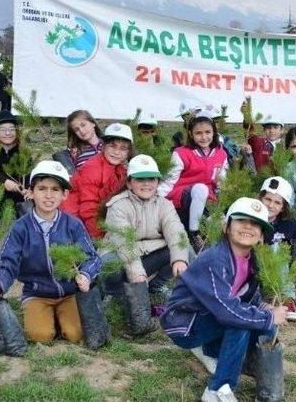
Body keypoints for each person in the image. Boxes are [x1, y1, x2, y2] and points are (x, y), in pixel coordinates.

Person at [160, 197, 287, 402]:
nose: (248, 227)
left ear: (262, 234)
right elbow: (228, 311)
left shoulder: (253, 257)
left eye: (255, 224)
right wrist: (268, 317)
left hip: (209, 314)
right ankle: (217, 390)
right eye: (241, 221)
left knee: (258, 320)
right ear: (227, 227)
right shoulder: (216, 259)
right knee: (241, 322)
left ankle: (230, 358)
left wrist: (265, 309)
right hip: (184, 323)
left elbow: (247, 296)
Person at [0, 160, 102, 344]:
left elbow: (92, 257)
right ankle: (40, 313)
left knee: (75, 334)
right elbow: (7, 261)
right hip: (37, 293)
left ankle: (62, 315)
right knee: (40, 336)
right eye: (42, 188)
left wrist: (86, 275)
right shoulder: (20, 228)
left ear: (65, 194)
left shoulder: (73, 224)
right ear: (31, 192)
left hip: (69, 292)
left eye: (55, 189)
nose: (48, 195)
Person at [101, 154, 189, 316]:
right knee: (109, 263)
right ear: (129, 182)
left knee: (183, 250)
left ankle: (154, 288)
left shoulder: (164, 204)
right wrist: (138, 275)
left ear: (157, 182)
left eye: (152, 179)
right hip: (121, 254)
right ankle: (113, 294)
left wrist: (179, 260)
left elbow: (175, 230)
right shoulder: (118, 206)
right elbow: (125, 244)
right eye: (140, 179)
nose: (147, 184)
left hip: (148, 253)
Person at [158, 110, 228, 253]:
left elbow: (222, 182)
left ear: (214, 132)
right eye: (199, 133)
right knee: (200, 189)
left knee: (221, 224)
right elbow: (169, 181)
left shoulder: (221, 153)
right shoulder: (181, 152)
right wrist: (156, 199)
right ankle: (194, 233)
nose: (204, 137)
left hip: (208, 199)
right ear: (191, 134)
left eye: (208, 132)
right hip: (182, 195)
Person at [259, 176, 296, 322]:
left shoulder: (289, 226)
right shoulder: (250, 221)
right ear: (260, 199)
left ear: (284, 207)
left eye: (277, 202)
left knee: (279, 248)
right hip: (257, 272)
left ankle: (288, 300)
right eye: (268, 199)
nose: (271, 205)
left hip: (281, 275)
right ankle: (260, 303)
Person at [62, 123, 133, 238]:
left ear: (128, 152)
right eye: (112, 146)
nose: (117, 152)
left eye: (123, 148)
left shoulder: (120, 169)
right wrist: (100, 241)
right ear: (103, 146)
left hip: (100, 219)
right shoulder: (92, 170)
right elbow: (89, 211)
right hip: (75, 223)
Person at [0, 111, 31, 217]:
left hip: (19, 192)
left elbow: (28, 171)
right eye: (3, 130)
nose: (8, 133)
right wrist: (4, 181)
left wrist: (28, 188)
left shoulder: (22, 149)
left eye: (11, 129)